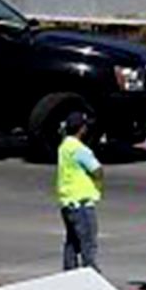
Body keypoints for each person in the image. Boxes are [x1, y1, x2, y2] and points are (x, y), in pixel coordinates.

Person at [55, 111, 103, 270]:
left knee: (72, 243)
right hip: (82, 203)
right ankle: (91, 276)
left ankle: (69, 275)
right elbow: (96, 170)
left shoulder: (64, 147)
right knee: (87, 243)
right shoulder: (79, 149)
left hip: (68, 202)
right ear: (82, 129)